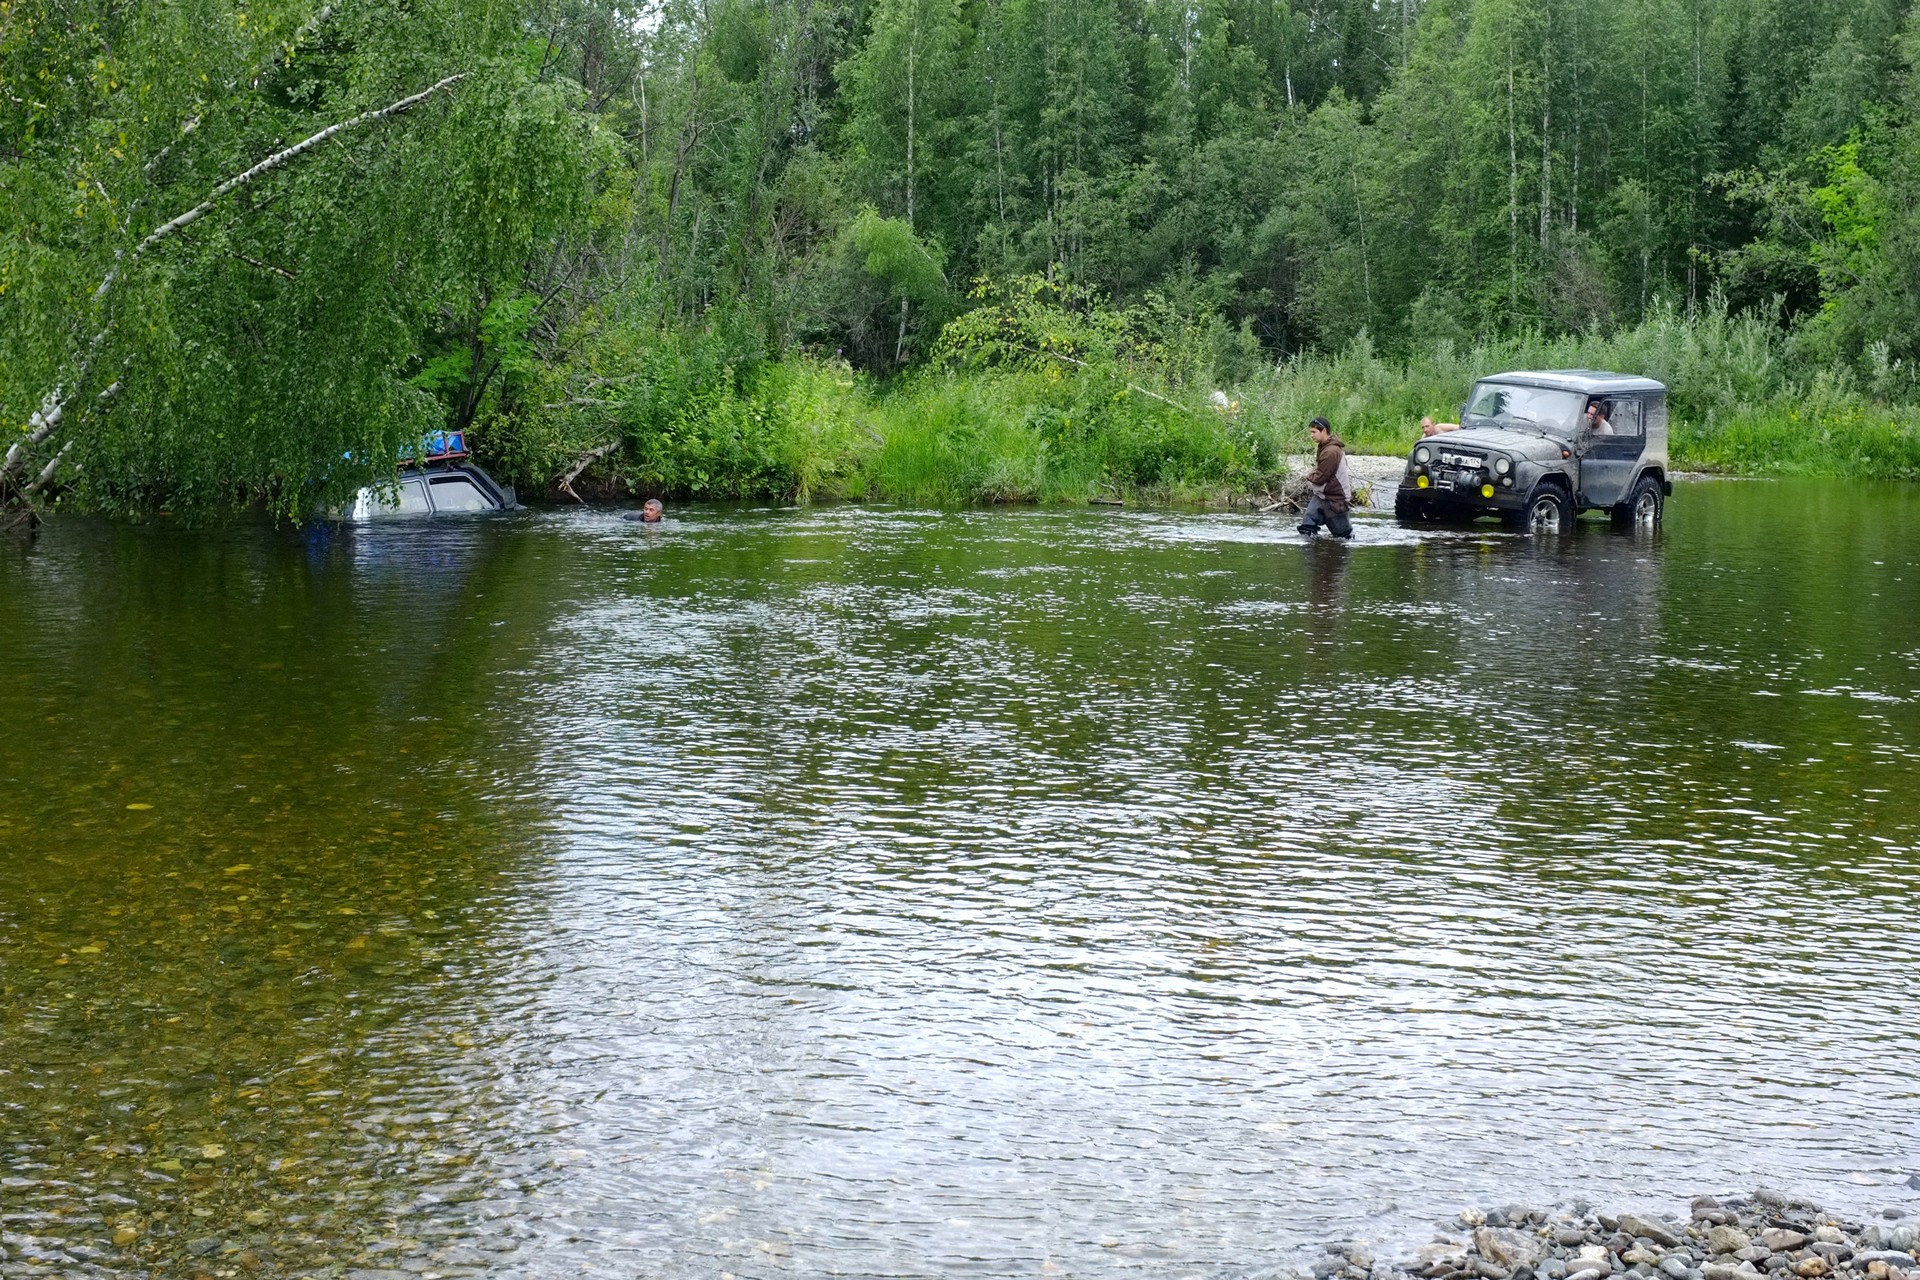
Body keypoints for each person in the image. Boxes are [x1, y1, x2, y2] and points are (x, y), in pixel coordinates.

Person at [1298, 416, 1353, 540]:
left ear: (1324, 431)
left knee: (1344, 537)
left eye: (1314, 432)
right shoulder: (1326, 447)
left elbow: (1321, 477)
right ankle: (1311, 554)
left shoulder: (1331, 451)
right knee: (1307, 529)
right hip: (1322, 495)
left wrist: (1309, 476)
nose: (1311, 435)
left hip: (1335, 498)